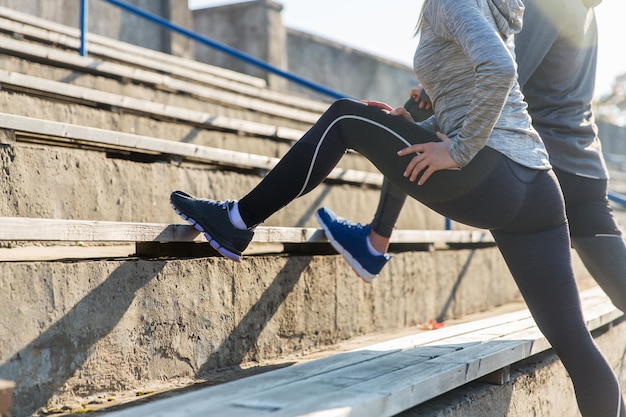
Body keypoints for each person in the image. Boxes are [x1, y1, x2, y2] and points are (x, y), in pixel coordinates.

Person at [169, 0, 624, 414]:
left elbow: (502, 70)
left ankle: (235, 222)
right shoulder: (494, 5)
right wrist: (419, 125)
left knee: (344, 117)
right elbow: (470, 89)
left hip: (493, 172)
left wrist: (459, 150)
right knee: (575, 344)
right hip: (538, 187)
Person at [319, 0, 626, 315]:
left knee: (416, 111)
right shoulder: (586, 10)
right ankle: (375, 240)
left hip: (537, 167)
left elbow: (507, 71)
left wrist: (434, 93)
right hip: (585, 171)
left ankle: (376, 240)